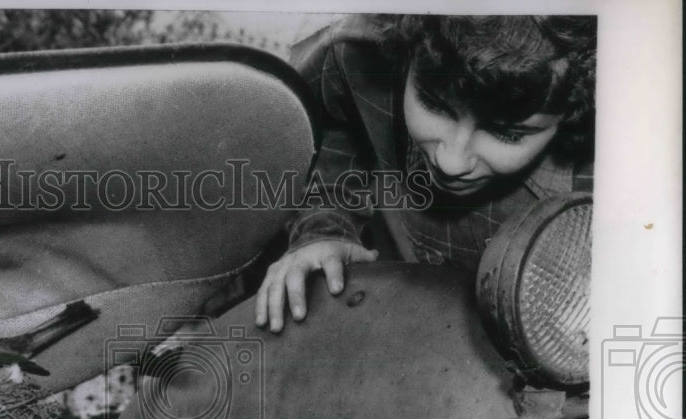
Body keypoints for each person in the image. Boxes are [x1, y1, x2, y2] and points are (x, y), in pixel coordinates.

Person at [255, 14, 596, 332]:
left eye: (506, 133)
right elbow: (322, 124)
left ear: (575, 114)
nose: (451, 162)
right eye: (434, 104)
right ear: (406, 52)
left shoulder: (618, 173)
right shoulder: (356, 53)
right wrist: (325, 227)